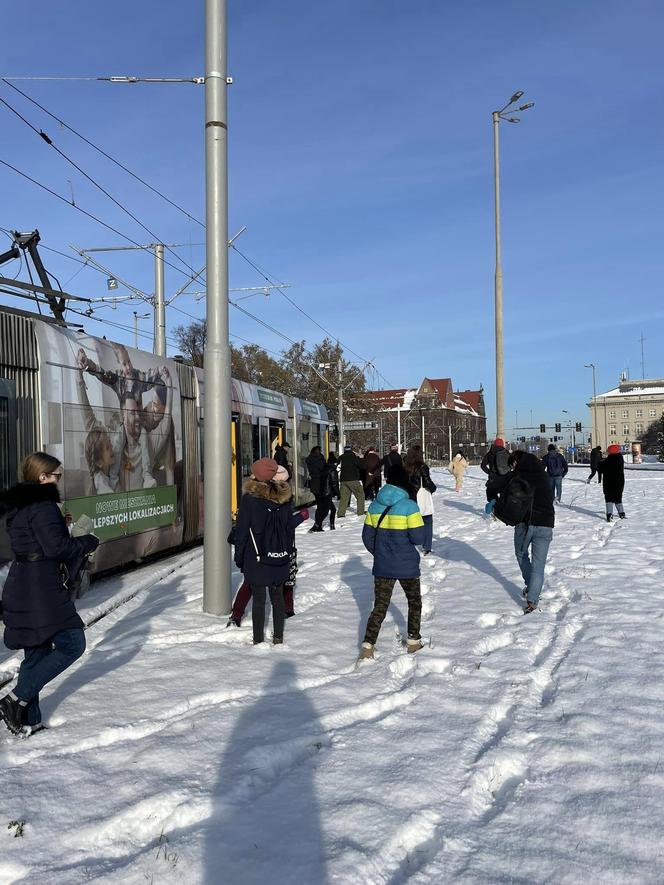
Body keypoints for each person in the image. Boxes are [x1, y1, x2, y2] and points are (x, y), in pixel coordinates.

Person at [0, 453, 99, 736]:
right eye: (57, 475)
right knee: (73, 642)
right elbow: (56, 549)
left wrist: (60, 525)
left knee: (36, 652)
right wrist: (87, 540)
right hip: (40, 588)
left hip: (23, 583)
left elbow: (38, 540)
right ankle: (14, 699)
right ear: (43, 477)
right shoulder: (43, 506)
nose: (60, 479)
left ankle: (29, 722)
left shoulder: (21, 505)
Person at [233, 458, 308, 644]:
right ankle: (278, 638)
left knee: (258, 600)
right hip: (280, 556)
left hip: (257, 558)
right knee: (277, 598)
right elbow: (288, 526)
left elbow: (241, 533)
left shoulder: (249, 500)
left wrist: (239, 558)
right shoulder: (284, 498)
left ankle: (258, 640)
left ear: (257, 475)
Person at [359, 464, 426, 659]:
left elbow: (367, 537)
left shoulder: (374, 505)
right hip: (408, 566)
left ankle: (367, 646)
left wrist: (380, 552)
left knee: (379, 606)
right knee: (414, 602)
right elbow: (418, 538)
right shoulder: (409, 506)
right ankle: (413, 641)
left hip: (383, 566)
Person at [498, 451, 555, 614]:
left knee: (521, 553)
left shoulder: (518, 476)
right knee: (539, 564)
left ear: (516, 462)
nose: (512, 467)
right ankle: (532, 599)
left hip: (525, 523)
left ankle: (531, 587)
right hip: (546, 524)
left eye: (512, 464)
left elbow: (507, 497)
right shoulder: (543, 475)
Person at [402, 445, 436, 555]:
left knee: (410, 522)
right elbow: (427, 482)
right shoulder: (422, 467)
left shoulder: (405, 466)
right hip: (421, 497)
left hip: (409, 497)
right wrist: (433, 488)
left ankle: (409, 543)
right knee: (427, 520)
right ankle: (427, 547)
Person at [305, 446, 336, 532]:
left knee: (320, 506)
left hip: (314, 486)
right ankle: (317, 525)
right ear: (318, 451)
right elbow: (324, 471)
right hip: (323, 485)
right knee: (327, 508)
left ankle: (319, 526)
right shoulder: (320, 459)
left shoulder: (309, 460)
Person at [337, 445, 366, 518]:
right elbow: (363, 466)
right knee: (360, 495)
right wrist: (361, 458)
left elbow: (337, 467)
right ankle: (360, 512)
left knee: (344, 498)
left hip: (343, 480)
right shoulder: (354, 457)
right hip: (353, 480)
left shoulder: (341, 457)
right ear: (351, 450)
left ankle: (341, 514)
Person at [600, 444, 626, 522]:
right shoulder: (620, 458)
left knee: (609, 498)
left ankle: (609, 515)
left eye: (608, 450)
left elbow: (601, 469)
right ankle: (621, 513)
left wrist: (601, 461)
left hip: (609, 482)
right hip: (619, 481)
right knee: (618, 497)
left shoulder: (608, 460)